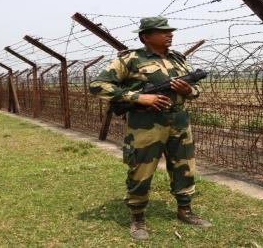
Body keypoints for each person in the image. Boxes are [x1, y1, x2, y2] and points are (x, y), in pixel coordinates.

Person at [89, 16, 211, 240]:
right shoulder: (131, 59)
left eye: (170, 31)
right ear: (146, 37)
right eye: (162, 31)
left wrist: (187, 91)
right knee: (140, 171)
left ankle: (185, 210)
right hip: (145, 125)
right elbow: (98, 85)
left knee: (184, 167)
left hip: (179, 122)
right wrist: (139, 97)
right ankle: (137, 217)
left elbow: (197, 90)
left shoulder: (179, 58)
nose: (169, 34)